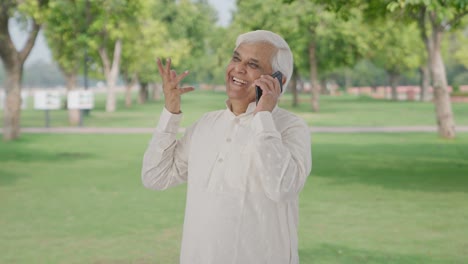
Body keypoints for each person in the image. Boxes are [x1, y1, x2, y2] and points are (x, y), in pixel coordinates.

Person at [141, 30, 312, 264]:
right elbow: (155, 177)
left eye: (253, 64)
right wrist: (171, 111)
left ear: (278, 81)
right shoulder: (206, 125)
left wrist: (264, 116)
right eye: (236, 58)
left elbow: (282, 188)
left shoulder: (291, 128)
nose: (239, 69)